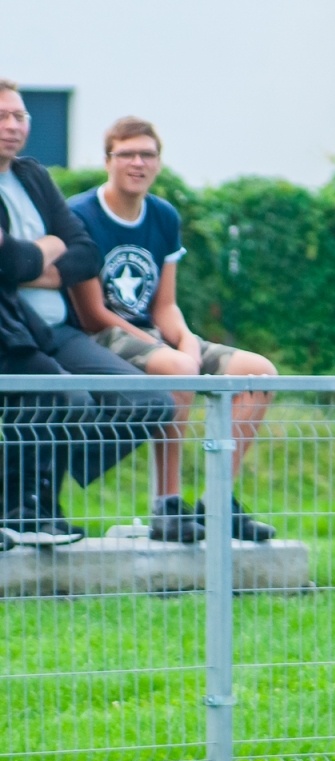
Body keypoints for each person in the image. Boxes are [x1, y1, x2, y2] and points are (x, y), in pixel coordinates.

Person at [67, 117, 276, 542]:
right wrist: (173, 355)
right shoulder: (81, 215)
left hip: (154, 333)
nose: (138, 163)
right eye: (127, 154)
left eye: (147, 154)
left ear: (158, 162)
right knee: (176, 369)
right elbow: (91, 313)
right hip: (100, 335)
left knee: (258, 373)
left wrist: (184, 343)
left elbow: (164, 305)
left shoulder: (163, 216)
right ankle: (167, 504)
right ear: (108, 160)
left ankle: (217, 499)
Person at [0, 79, 173, 545]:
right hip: (12, 331)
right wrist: (47, 252)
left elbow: (85, 254)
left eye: (20, 117)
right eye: (3, 117)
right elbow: (11, 262)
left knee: (151, 400)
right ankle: (31, 507)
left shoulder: (32, 176)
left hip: (58, 328)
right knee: (67, 398)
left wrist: (38, 258)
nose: (13, 126)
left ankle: (36, 494)